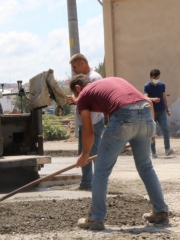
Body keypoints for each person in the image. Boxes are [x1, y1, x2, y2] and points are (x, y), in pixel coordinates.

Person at [71, 75, 169, 230]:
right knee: (146, 166)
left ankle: (95, 218)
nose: (78, 102)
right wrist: (148, 132)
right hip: (145, 115)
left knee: (101, 171)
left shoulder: (83, 95)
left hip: (123, 116)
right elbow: (148, 101)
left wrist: (84, 155)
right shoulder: (111, 82)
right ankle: (161, 211)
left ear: (78, 89)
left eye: (76, 97)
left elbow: (88, 133)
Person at [67, 54, 105, 191]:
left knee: (92, 153)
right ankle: (86, 183)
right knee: (84, 153)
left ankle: (97, 183)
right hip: (85, 122)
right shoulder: (81, 80)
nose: (74, 70)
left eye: (75, 66)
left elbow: (92, 100)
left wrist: (78, 100)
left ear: (82, 63)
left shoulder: (94, 78)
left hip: (93, 122)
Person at [144, 69, 174, 158]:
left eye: (158, 77)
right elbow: (145, 97)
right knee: (152, 132)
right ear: (150, 77)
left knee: (165, 129)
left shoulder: (162, 85)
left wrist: (167, 109)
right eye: (154, 78)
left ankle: (167, 149)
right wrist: (153, 99)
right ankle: (153, 152)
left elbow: (164, 97)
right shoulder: (147, 86)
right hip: (152, 112)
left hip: (161, 111)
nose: (156, 79)